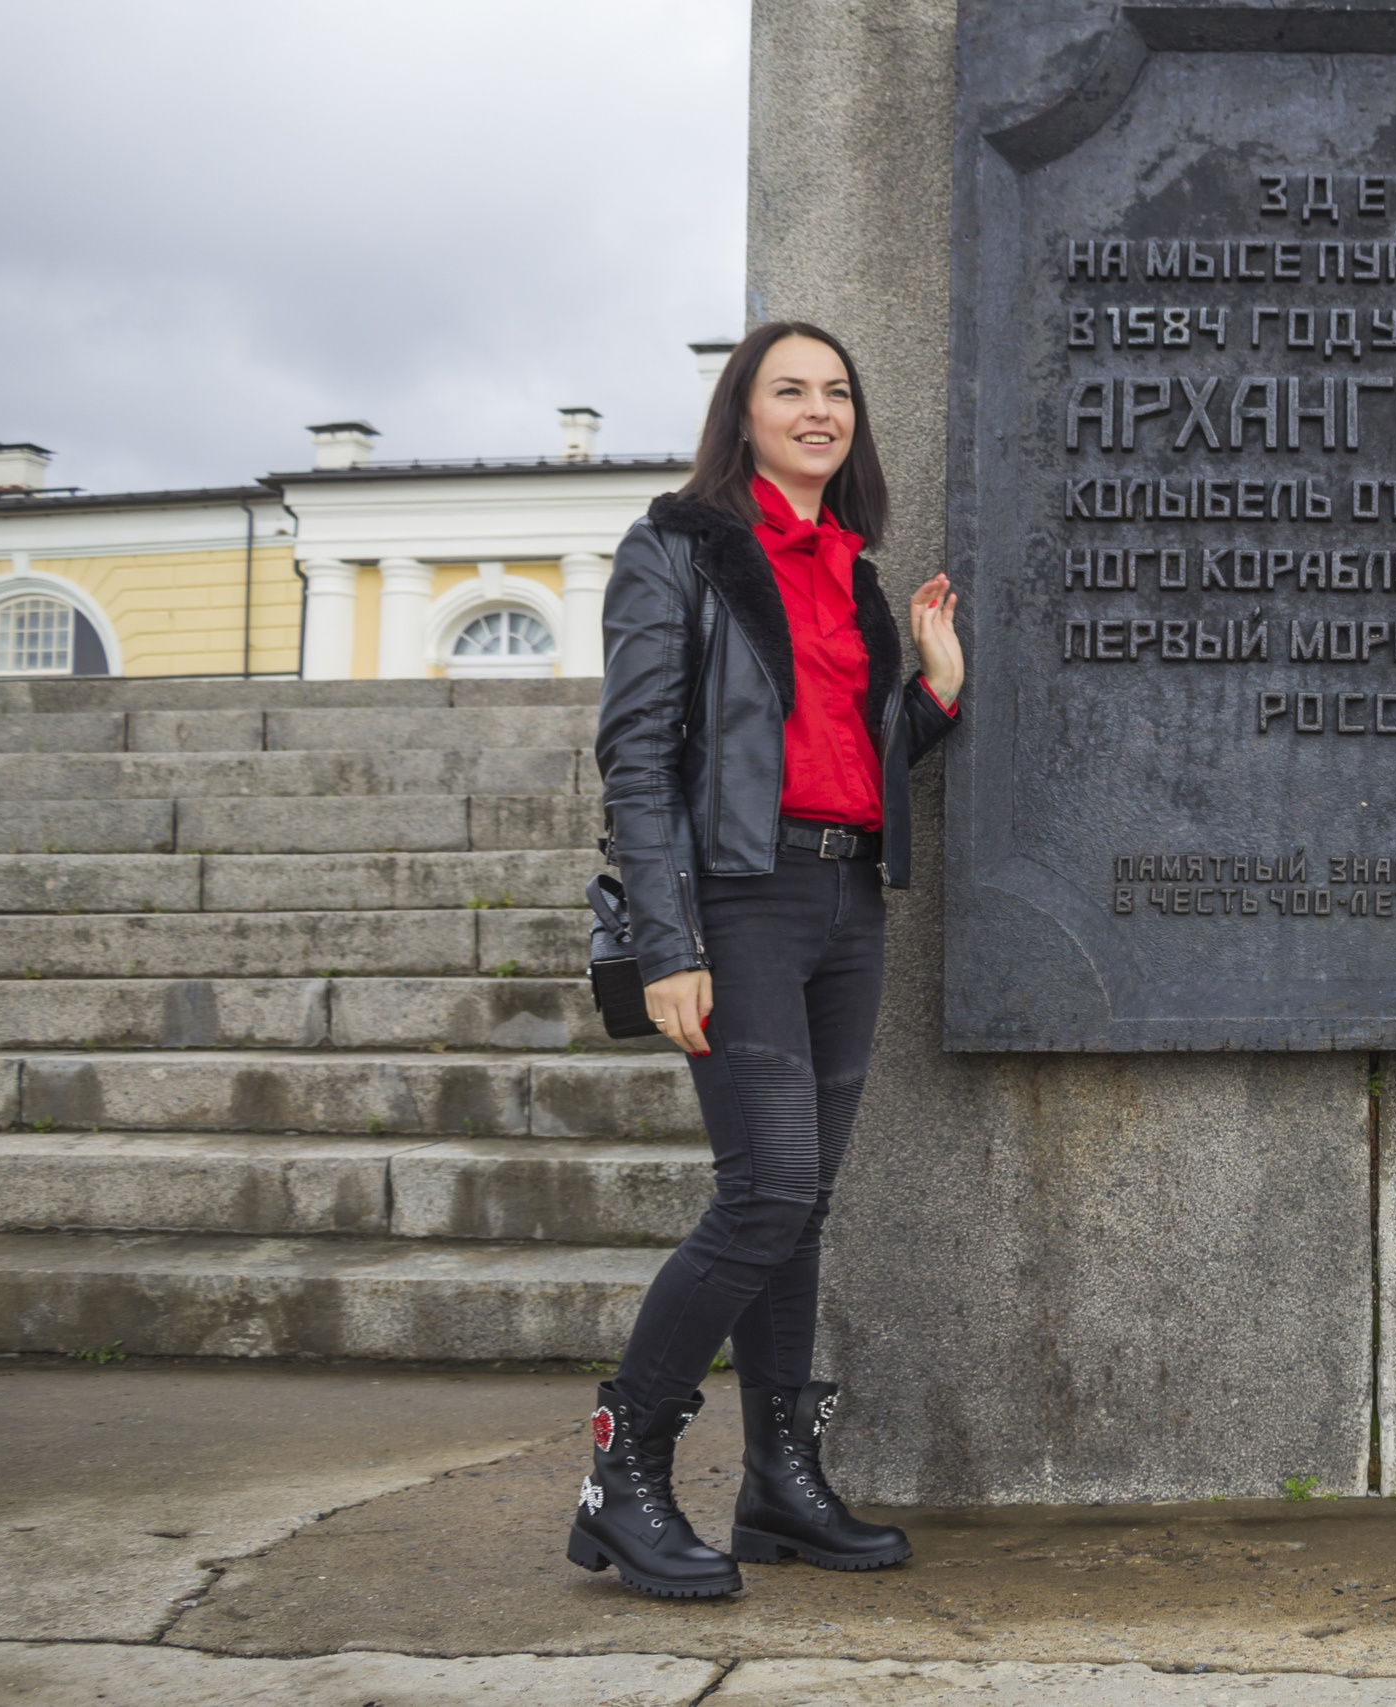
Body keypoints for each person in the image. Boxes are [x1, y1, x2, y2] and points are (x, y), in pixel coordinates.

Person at [569, 320, 964, 1599]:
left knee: (801, 1203)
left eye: (836, 391)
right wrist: (666, 940)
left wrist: (932, 696)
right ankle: (621, 1475)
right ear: (741, 412)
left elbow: (847, 758)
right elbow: (638, 756)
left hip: (847, 902)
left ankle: (779, 1487)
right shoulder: (676, 549)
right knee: (766, 1190)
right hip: (736, 905)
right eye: (788, 390)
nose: (817, 410)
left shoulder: (851, 571)